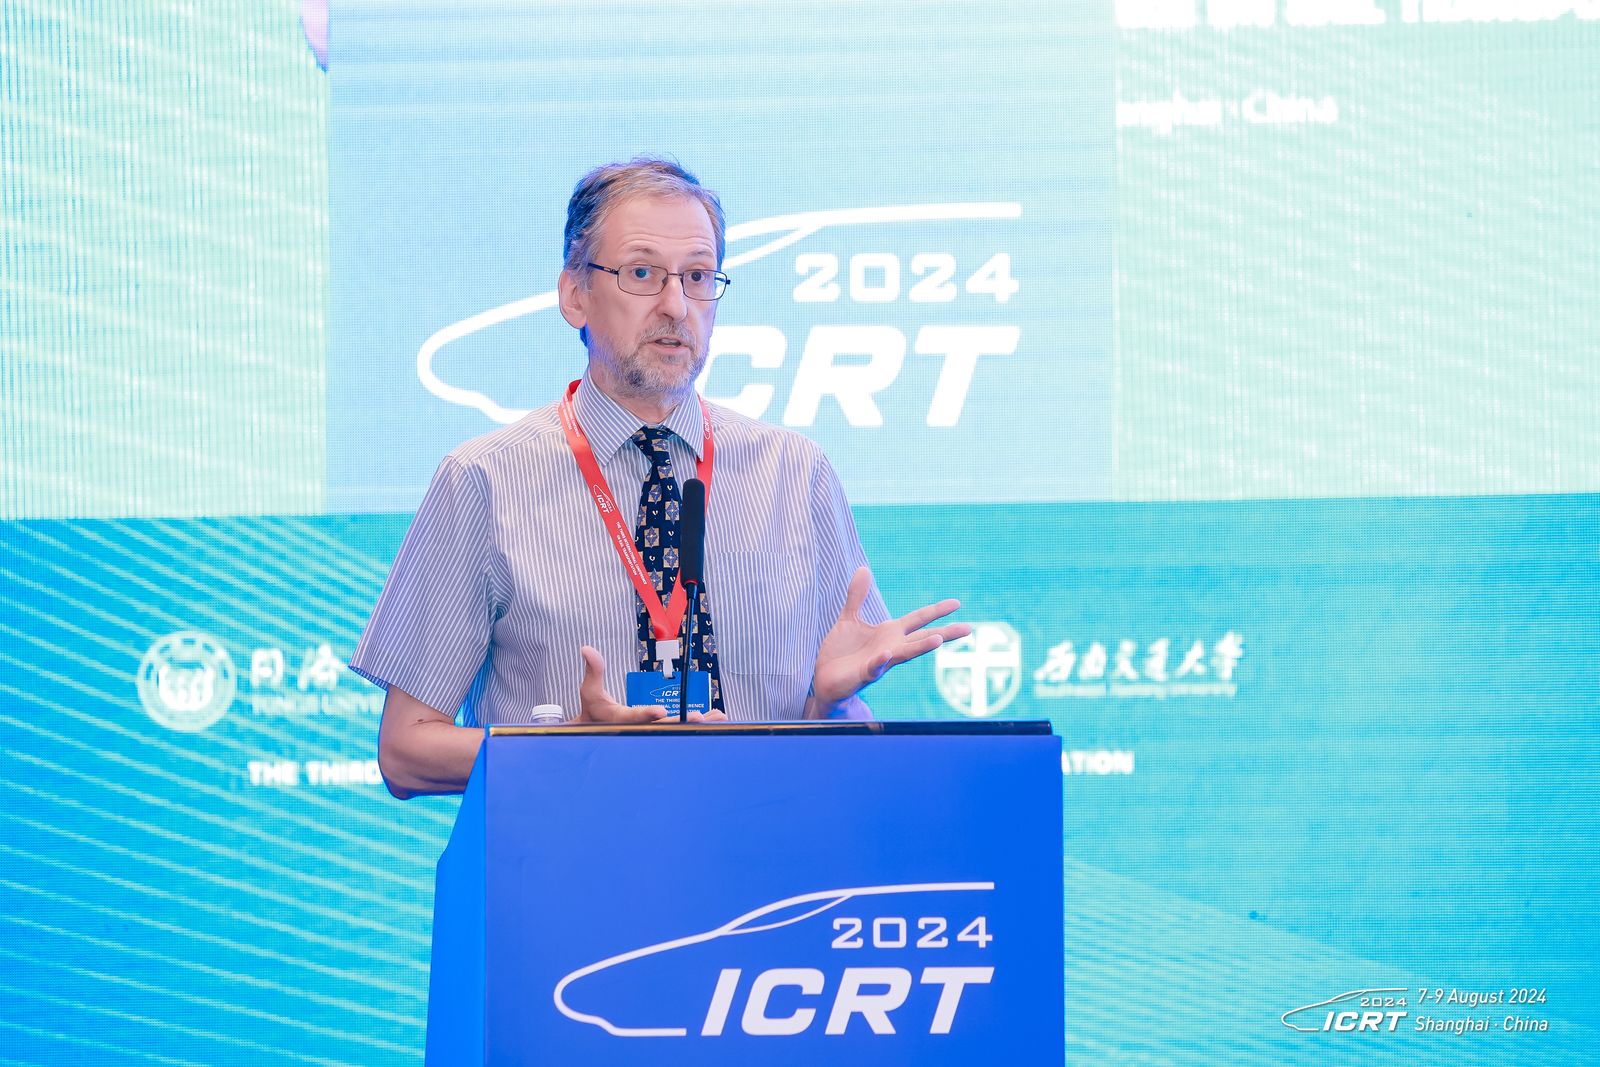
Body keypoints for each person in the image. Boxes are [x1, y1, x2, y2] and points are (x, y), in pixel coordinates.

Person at [351, 157, 969, 799]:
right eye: (642, 273)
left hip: (762, 854)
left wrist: (831, 705)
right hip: (572, 857)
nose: (676, 306)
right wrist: (567, 750)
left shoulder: (795, 473)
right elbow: (405, 753)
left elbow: (833, 742)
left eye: (698, 277)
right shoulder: (483, 480)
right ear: (574, 295)